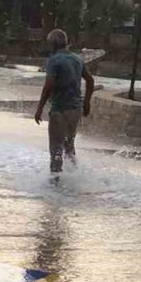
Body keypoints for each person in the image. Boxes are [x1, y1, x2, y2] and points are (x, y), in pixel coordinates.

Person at [34, 29, 95, 175]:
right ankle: (74, 177)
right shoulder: (77, 59)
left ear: (53, 45)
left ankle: (55, 183)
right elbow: (90, 80)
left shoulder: (54, 60)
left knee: (56, 149)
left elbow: (48, 85)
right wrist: (86, 103)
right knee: (69, 146)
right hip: (75, 110)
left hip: (60, 110)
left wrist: (39, 108)